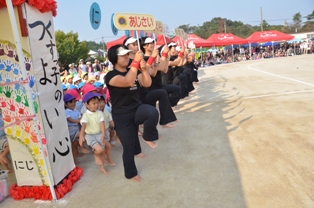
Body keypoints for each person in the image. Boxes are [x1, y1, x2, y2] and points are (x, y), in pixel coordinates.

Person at [105, 44, 159, 182]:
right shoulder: (111, 76)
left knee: (152, 112)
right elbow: (127, 81)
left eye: (127, 54)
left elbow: (147, 83)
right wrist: (135, 63)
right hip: (122, 115)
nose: (126, 57)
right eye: (122, 55)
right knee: (128, 145)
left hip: (136, 108)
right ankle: (131, 173)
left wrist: (143, 69)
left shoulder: (134, 71)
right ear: (114, 58)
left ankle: (147, 136)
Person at [138, 37, 177, 127]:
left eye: (152, 42)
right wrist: (161, 57)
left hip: (157, 85)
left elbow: (164, 69)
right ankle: (155, 123)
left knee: (174, 89)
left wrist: (166, 57)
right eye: (149, 43)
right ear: (144, 46)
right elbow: (153, 73)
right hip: (150, 88)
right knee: (152, 109)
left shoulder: (154, 57)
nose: (152, 44)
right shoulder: (143, 58)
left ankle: (166, 116)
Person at [79, 92, 108, 174]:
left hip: (99, 134)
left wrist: (103, 134)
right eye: (93, 103)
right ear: (87, 105)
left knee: (102, 151)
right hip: (90, 136)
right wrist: (81, 135)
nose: (96, 105)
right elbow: (83, 125)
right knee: (99, 149)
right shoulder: (85, 115)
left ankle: (102, 167)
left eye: (97, 103)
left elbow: (101, 123)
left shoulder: (100, 113)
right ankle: (95, 154)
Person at [64, 94, 83, 164]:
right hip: (70, 129)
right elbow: (70, 120)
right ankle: (82, 147)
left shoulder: (76, 111)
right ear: (65, 104)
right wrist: (80, 121)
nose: (73, 104)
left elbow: (80, 118)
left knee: (74, 146)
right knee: (82, 134)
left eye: (74, 102)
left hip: (76, 128)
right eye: (71, 102)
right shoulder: (66, 112)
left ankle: (75, 158)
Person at [98, 96, 116, 166]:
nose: (101, 104)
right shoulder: (96, 113)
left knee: (106, 146)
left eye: (103, 102)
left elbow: (111, 121)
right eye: (99, 102)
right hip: (99, 133)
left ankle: (105, 158)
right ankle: (108, 159)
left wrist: (115, 127)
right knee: (106, 146)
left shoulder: (106, 112)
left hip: (106, 132)